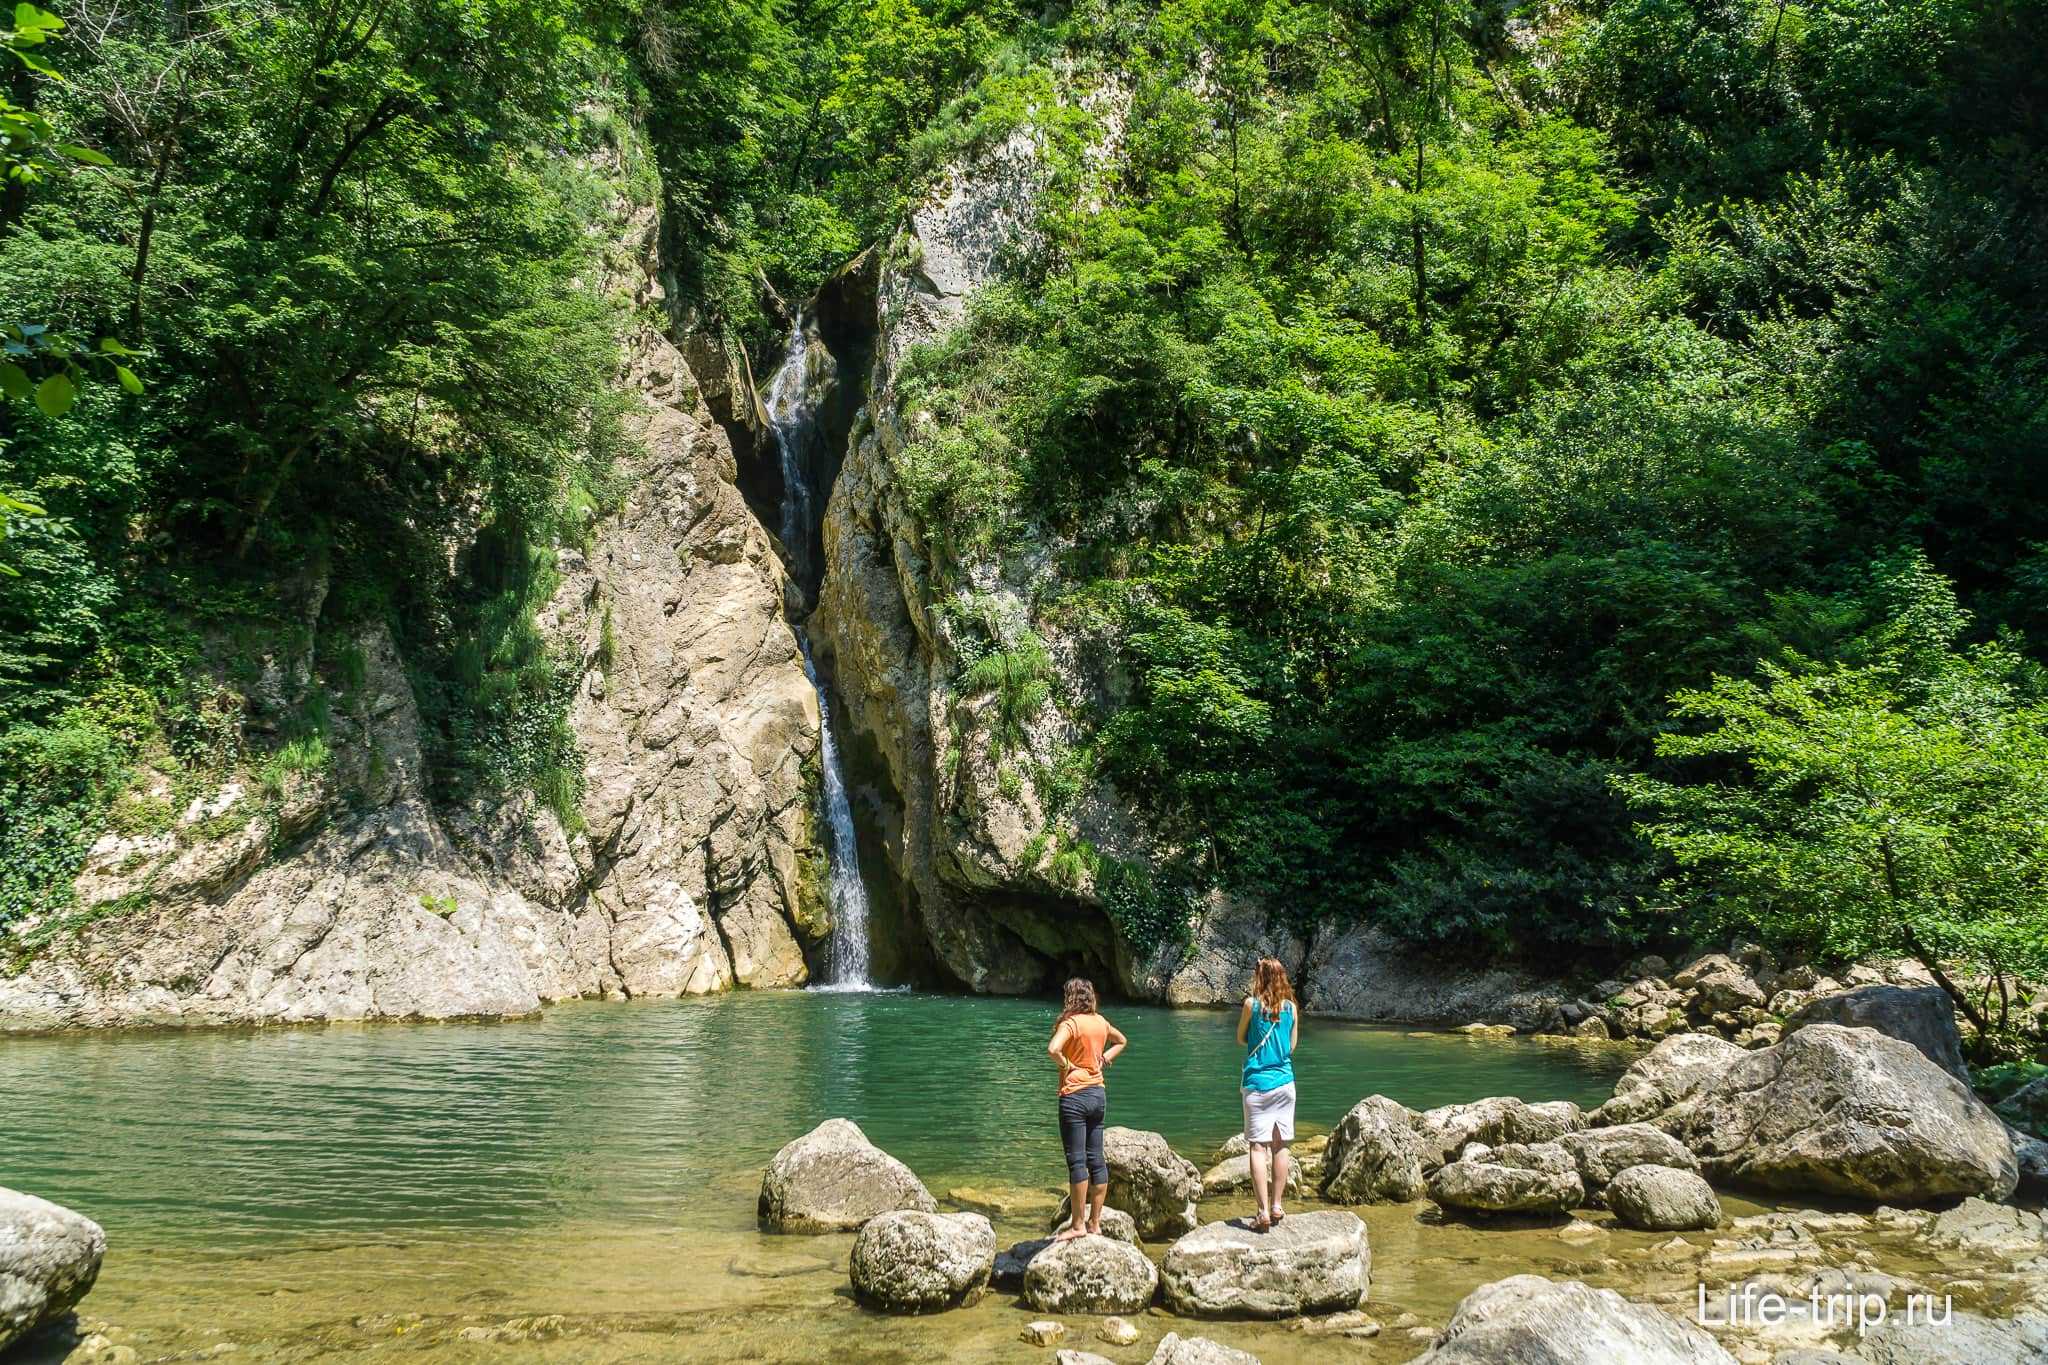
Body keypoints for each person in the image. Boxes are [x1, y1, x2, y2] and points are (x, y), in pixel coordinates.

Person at [1048, 977, 1126, 1241]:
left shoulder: (1070, 1023)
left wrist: (1067, 1065)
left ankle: (1078, 1224)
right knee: (1096, 1159)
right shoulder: (1100, 1022)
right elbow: (1122, 1041)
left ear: (1070, 998)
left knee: (1077, 1161)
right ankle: (1095, 1223)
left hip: (1074, 1096)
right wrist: (1105, 1058)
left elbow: (1053, 1049)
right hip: (1097, 1094)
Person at [1236, 956, 1299, 1232]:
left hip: (1257, 1084)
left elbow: (1240, 1038)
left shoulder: (1251, 1005)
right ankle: (1277, 1206)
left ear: (1259, 978)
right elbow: (1291, 1047)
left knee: (1257, 1146)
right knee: (1281, 1144)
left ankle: (1261, 1212)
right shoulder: (1292, 1009)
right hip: (1285, 1084)